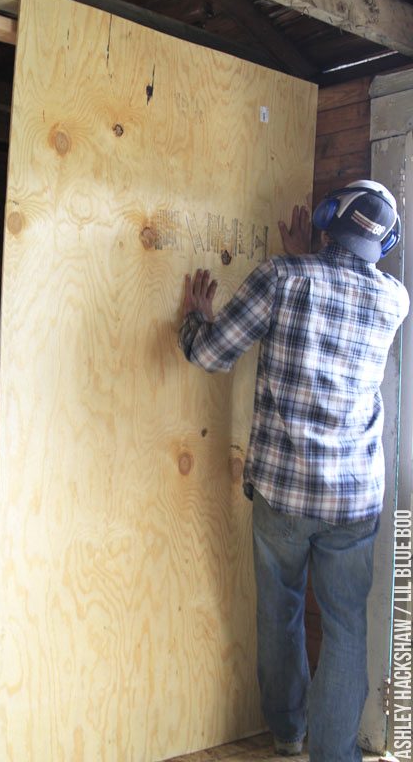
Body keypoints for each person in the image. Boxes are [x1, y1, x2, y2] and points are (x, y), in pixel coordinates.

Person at [178, 181, 410, 762]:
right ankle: (335, 756)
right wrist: (318, 251)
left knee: (280, 612)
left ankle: (287, 734)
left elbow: (210, 354)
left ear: (329, 219)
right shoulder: (395, 299)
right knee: (347, 629)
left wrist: (195, 319)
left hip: (285, 491)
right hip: (355, 500)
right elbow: (340, 286)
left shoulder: (281, 277)